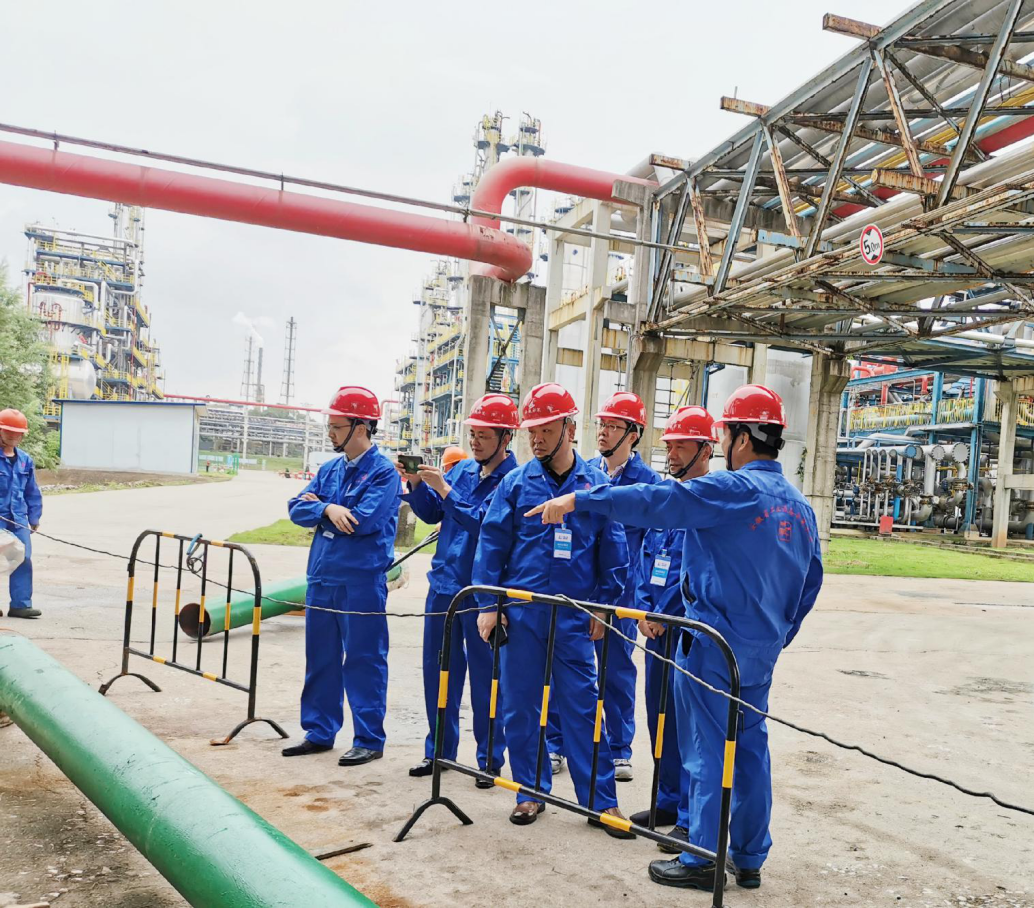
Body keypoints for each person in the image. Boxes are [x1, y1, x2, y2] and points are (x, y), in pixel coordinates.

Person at [526, 385, 824, 892]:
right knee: (750, 750)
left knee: (707, 752)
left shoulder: (733, 489)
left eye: (725, 435)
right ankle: (749, 855)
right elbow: (810, 581)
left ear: (741, 438)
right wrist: (777, 636)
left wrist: (581, 499)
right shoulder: (798, 506)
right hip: (759, 650)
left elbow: (659, 500)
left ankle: (703, 856)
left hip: (712, 647)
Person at [472, 382, 634, 837]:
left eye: (545, 429)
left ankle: (601, 802)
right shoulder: (515, 484)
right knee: (520, 707)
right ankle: (530, 791)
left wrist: (604, 607)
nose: (537, 439)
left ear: (568, 427)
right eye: (532, 431)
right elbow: (491, 546)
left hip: (574, 616)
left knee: (583, 708)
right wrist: (489, 605)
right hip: (522, 614)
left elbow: (614, 552)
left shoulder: (595, 487)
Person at [399, 394, 517, 784]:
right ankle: (439, 751)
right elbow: (432, 513)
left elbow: (486, 524)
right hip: (444, 585)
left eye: (484, 436)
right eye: (473, 435)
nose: (475, 443)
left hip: (482, 594)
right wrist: (418, 484)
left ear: (505, 438)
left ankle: (489, 759)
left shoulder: (513, 481)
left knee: (487, 678)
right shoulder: (464, 470)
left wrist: (446, 491)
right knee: (439, 672)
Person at [282, 386, 401, 766]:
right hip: (322, 577)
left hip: (360, 581)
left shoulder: (383, 473)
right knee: (321, 658)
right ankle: (319, 731)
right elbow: (295, 508)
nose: (331, 433)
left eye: (336, 426)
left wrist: (325, 509)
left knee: (364, 660)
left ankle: (368, 738)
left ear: (361, 428)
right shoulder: (330, 469)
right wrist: (328, 510)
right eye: (330, 426)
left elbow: (362, 521)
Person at [546, 390, 659, 782]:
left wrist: (644, 600)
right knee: (565, 669)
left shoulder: (648, 483)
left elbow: (651, 547)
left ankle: (619, 749)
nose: (603, 432)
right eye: (602, 424)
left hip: (621, 594)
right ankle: (557, 743)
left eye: (613, 426)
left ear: (633, 434)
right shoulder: (584, 474)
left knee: (616, 672)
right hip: (579, 590)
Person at [627, 405, 715, 852]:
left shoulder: (709, 502)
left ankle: (686, 815)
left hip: (683, 631)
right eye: (669, 446)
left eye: (682, 445)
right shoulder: (666, 499)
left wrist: (665, 614)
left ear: (706, 450)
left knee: (687, 727)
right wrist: (644, 609)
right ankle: (665, 799)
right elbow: (646, 559)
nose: (673, 454)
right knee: (658, 716)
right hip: (655, 629)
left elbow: (697, 573)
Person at [0, 409, 42, 619]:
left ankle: (20, 605)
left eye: (17, 433)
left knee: (22, 557)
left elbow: (32, 491)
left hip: (18, 519)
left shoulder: (25, 460)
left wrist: (34, 517)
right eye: (9, 432)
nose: (13, 436)